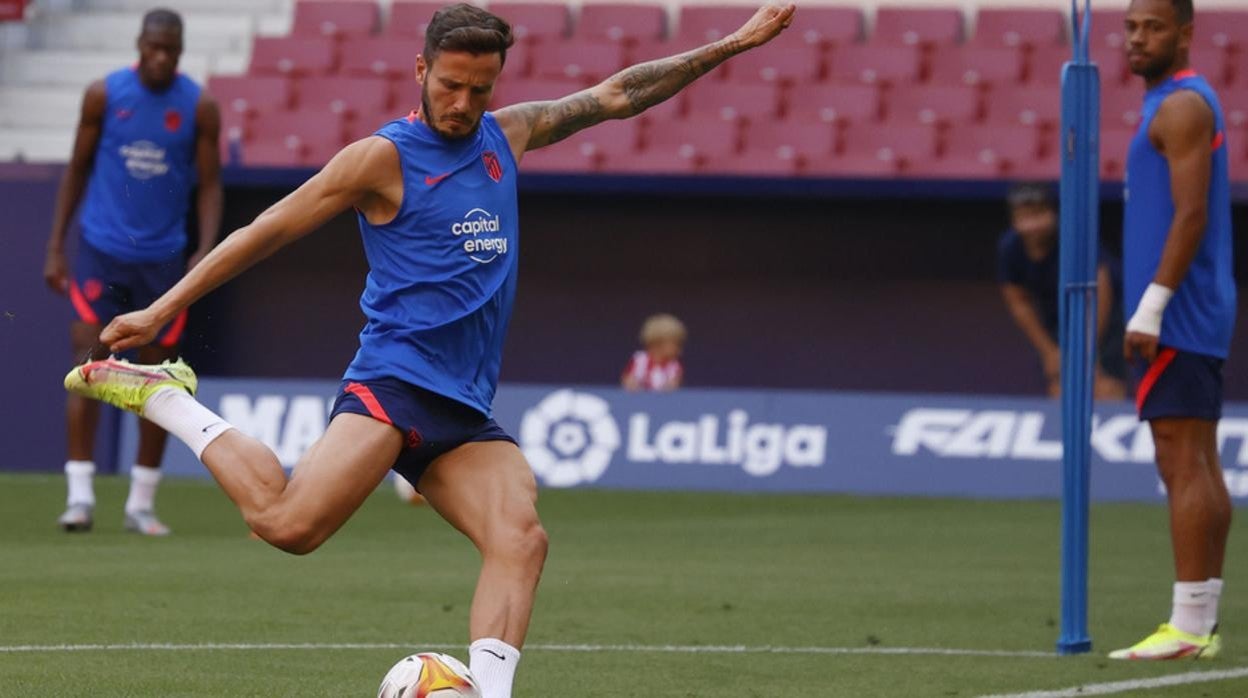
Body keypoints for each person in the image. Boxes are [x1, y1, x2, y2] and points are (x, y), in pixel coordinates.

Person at [63, 4, 795, 696]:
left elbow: (618, 94)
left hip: (464, 406)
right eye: (450, 85)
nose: (463, 103)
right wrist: (163, 307)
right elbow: (268, 231)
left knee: (522, 538)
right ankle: (164, 395)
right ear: (420, 70)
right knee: (287, 527)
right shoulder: (379, 159)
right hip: (394, 382)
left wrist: (733, 43)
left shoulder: (506, 135)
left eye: (480, 88)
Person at [43, 8, 222, 535]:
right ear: (140, 44)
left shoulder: (199, 106)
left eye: (171, 50)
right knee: (88, 365)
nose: (161, 57)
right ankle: (79, 497)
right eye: (154, 47)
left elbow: (210, 186)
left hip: (164, 260)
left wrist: (205, 251)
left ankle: (141, 502)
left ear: (181, 52)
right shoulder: (104, 95)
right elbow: (76, 168)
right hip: (101, 250)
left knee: (160, 379)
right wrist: (56, 246)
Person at [1108, 0, 1235, 661]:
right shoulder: (1172, 101)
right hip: (1197, 306)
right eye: (1131, 26)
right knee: (1200, 460)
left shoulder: (1182, 106)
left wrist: (1152, 307)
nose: (1137, 38)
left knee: (1180, 458)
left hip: (1180, 309)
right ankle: (1201, 621)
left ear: (1186, 33)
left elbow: (1191, 216)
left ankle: (1186, 627)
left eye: (1153, 27)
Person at [996, 182, 1127, 399]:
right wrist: (1048, 351)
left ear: (1053, 213)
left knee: (1104, 386)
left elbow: (1100, 292)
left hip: (1106, 318)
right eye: (1024, 217)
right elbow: (1018, 301)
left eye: (1038, 214)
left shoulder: (1074, 238)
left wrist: (1089, 349)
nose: (1032, 225)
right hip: (1059, 320)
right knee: (1061, 384)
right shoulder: (1010, 248)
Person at [620, 313, 686, 392]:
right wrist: (632, 385)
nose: (679, 349)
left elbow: (672, 387)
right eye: (676, 344)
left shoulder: (674, 366)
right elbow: (628, 381)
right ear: (657, 343)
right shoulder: (639, 361)